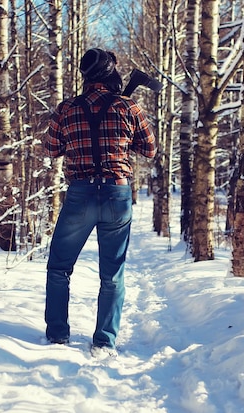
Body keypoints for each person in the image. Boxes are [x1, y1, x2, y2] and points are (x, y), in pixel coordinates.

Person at [43, 48, 157, 358]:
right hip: (116, 195)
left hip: (80, 195)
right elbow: (149, 149)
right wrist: (123, 136)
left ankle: (57, 335)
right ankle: (104, 341)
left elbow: (52, 148)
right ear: (111, 74)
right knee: (112, 274)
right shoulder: (127, 106)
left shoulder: (67, 109)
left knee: (59, 269)